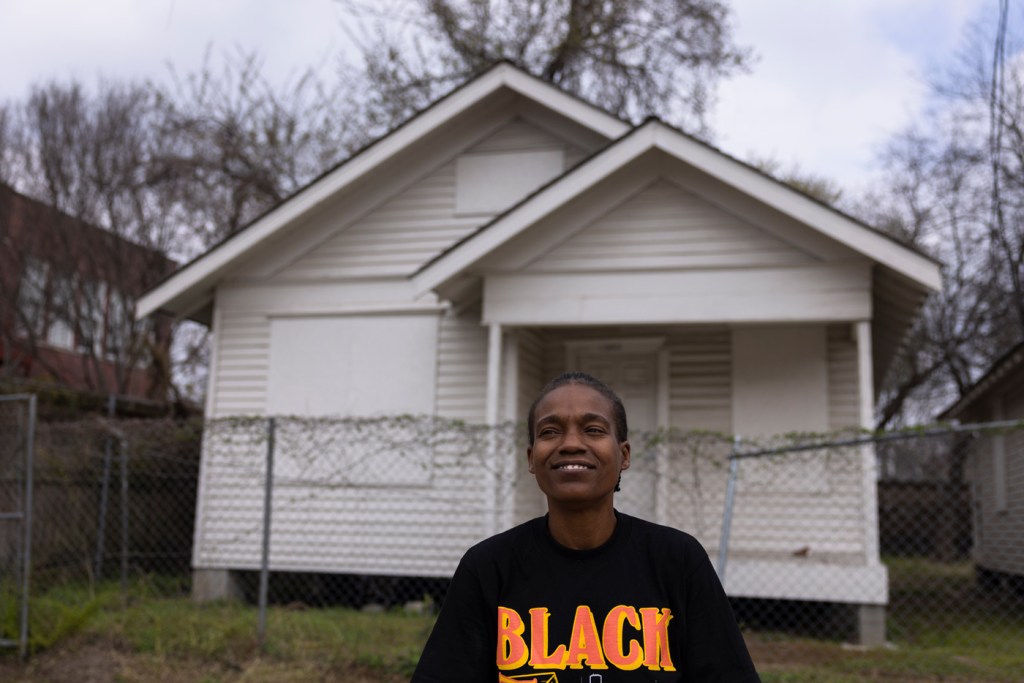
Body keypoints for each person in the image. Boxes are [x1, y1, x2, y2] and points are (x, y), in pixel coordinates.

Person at [411, 371, 761, 682]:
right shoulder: (488, 568)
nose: (571, 444)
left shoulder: (678, 561)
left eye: (593, 430)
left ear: (623, 455)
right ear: (532, 458)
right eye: (550, 431)